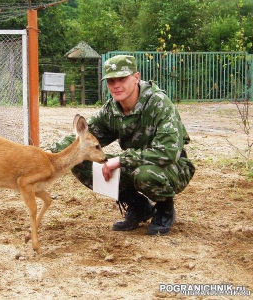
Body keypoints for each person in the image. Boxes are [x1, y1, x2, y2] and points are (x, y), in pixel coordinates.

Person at [48, 55, 195, 235]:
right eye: (111, 80)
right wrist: (49, 152)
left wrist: (120, 160)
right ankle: (138, 206)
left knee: (145, 174)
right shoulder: (112, 110)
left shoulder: (158, 104)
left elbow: (168, 152)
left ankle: (165, 209)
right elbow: (83, 139)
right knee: (80, 162)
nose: (116, 85)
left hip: (172, 167)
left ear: (136, 77)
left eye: (122, 78)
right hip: (135, 164)